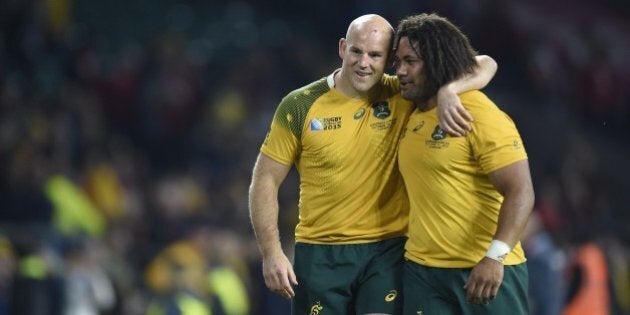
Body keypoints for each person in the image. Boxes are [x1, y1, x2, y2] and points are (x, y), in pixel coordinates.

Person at [248, 14, 497, 315]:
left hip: (386, 249)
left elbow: (486, 63)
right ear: (342, 48)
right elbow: (265, 180)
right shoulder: (300, 104)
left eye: (375, 55)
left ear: (390, 58)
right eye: (356, 51)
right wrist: (271, 252)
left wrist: (449, 90)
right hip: (320, 252)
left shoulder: (402, 94)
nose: (363, 63)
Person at [394, 13, 535, 314]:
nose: (401, 71)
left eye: (411, 61)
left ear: (436, 61)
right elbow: (486, 63)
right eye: (398, 61)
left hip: (484, 271)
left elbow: (520, 190)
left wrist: (495, 257)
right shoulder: (408, 109)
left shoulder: (480, 114)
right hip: (423, 273)